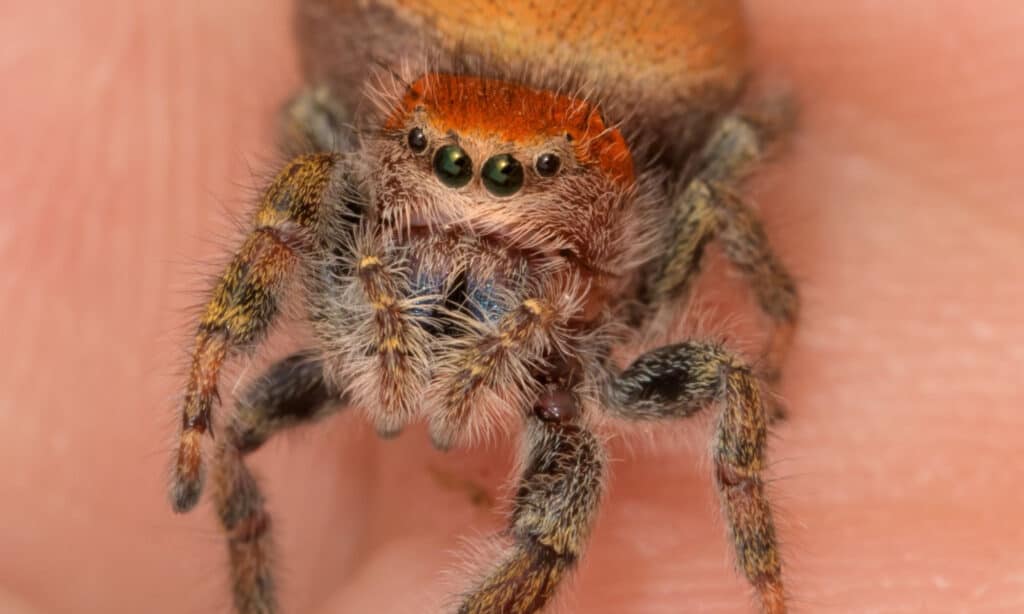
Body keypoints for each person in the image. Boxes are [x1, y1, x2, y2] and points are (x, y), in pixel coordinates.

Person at [1, 2, 1021, 612]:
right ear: (402, 164)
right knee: (239, 432)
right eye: (448, 176)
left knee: (573, 512)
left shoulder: (633, 272)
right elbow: (296, 182)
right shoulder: (340, 189)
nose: (471, 235)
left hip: (638, 56)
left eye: (518, 186)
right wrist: (202, 399)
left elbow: (728, 349)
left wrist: (763, 571)